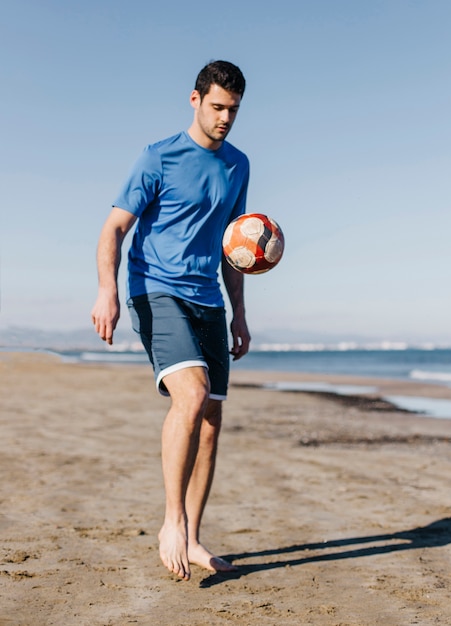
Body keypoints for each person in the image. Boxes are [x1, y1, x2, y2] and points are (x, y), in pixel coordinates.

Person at [91, 60, 251, 581]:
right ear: (195, 100)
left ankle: (195, 538)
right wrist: (107, 290)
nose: (225, 117)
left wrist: (240, 315)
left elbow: (234, 247)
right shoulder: (158, 157)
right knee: (191, 394)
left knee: (210, 423)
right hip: (155, 289)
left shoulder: (238, 166)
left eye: (233, 109)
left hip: (209, 298)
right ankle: (171, 523)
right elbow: (113, 228)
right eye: (217, 106)